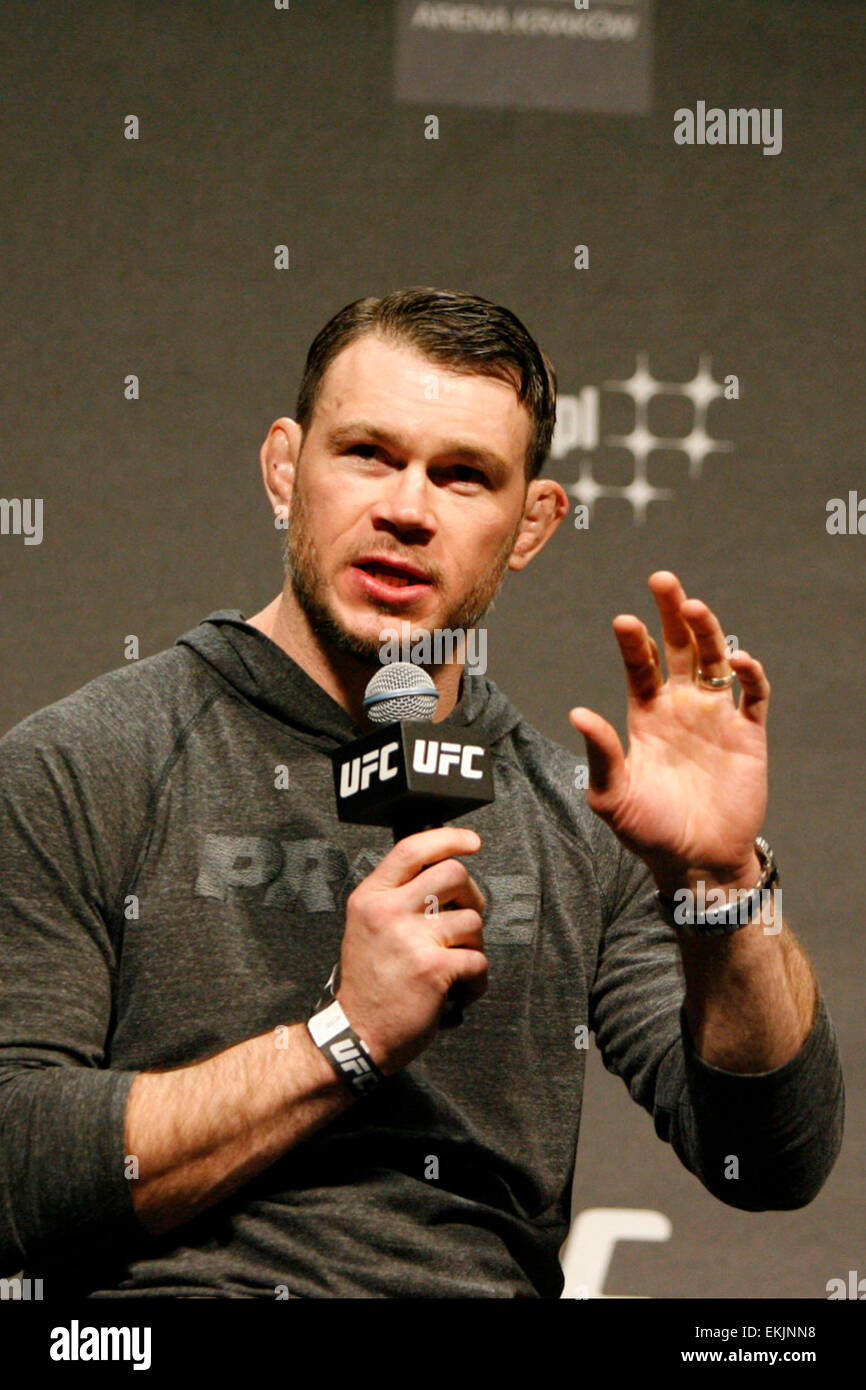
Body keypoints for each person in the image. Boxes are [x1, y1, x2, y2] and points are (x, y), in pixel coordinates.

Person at [0, 287, 843, 1299]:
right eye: (367, 454)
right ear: (283, 466)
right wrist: (340, 1040)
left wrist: (720, 886)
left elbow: (769, 1160)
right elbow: (14, 1168)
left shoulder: (581, 815)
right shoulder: (84, 763)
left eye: (461, 476)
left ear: (530, 524)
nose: (404, 508)